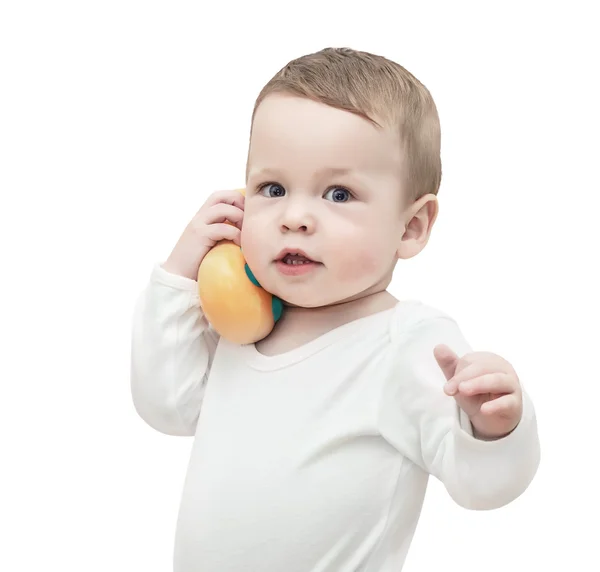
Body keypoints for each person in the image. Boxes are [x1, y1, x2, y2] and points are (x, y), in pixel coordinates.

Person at [130, 47, 540, 572]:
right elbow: (166, 406)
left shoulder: (407, 343)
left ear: (411, 227)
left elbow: (483, 486)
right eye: (272, 188)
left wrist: (494, 430)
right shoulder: (242, 326)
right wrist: (180, 276)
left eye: (339, 194)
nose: (295, 217)